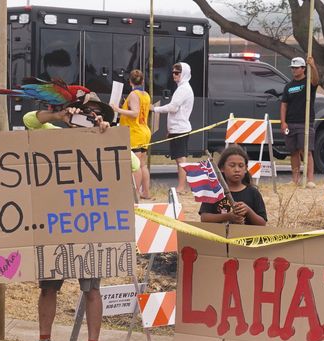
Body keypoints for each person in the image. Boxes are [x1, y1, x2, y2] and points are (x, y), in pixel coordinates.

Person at [20, 103, 111, 341]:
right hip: (54, 225)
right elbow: (29, 119)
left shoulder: (102, 137)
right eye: (79, 112)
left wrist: (102, 132)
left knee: (92, 289)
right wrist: (58, 116)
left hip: (88, 226)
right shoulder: (51, 133)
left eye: (90, 114)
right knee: (48, 287)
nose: (83, 117)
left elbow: (129, 162)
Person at [153, 62, 194, 194]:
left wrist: (155, 109)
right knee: (179, 159)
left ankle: (182, 187)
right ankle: (182, 186)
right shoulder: (182, 88)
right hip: (177, 128)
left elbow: (173, 107)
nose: (174, 75)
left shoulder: (183, 89)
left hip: (180, 129)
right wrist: (170, 129)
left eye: (177, 73)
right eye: (173, 72)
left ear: (184, 74)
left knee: (181, 159)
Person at [199, 146, 267, 226]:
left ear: (245, 169)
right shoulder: (214, 191)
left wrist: (248, 211)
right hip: (219, 236)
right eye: (232, 165)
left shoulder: (253, 193)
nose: (237, 170)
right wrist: (228, 216)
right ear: (222, 168)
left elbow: (262, 223)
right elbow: (204, 218)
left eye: (241, 166)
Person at [112, 69, 152, 200]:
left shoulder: (134, 95)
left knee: (135, 165)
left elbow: (135, 112)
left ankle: (135, 193)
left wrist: (118, 110)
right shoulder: (145, 94)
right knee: (142, 164)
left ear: (130, 81)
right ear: (142, 81)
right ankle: (146, 192)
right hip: (144, 130)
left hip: (135, 132)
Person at [281, 56, 320, 188]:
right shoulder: (288, 86)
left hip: (305, 122)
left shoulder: (308, 83)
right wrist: (283, 122)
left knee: (307, 151)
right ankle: (295, 179)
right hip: (290, 123)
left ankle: (309, 179)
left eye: (296, 68)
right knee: (293, 152)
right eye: (292, 68)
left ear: (303, 68)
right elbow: (284, 105)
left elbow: (316, 81)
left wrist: (313, 65)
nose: (294, 70)